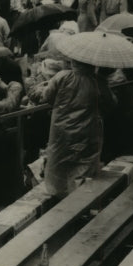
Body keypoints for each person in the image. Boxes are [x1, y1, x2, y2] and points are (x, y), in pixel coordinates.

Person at [38, 59, 111, 197]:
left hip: (61, 131)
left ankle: (59, 197)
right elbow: (110, 103)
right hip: (88, 131)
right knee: (83, 166)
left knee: (60, 166)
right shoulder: (98, 81)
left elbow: (46, 97)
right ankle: (80, 202)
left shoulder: (62, 76)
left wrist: (39, 88)